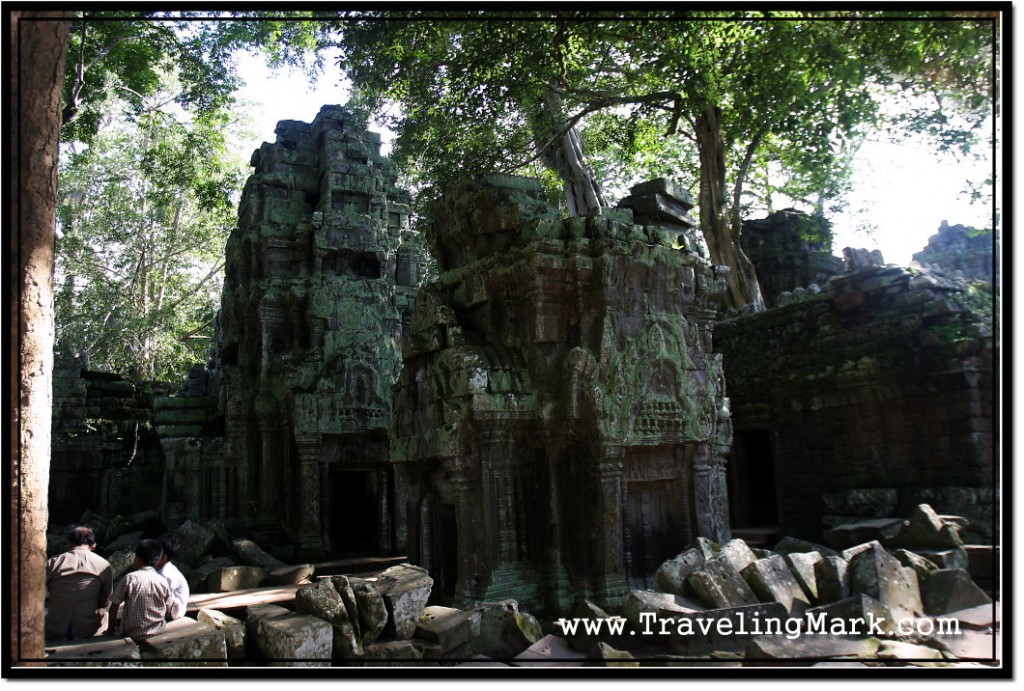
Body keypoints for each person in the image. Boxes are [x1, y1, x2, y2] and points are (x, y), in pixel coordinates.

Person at [45, 526, 113, 640]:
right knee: (105, 614)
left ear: (70, 544)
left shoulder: (54, 562)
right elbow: (106, 602)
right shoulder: (104, 565)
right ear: (93, 546)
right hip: (87, 629)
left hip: (56, 628)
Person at [106, 539, 173, 642]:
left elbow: (114, 607)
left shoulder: (129, 578)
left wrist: (110, 630)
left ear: (138, 559)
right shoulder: (163, 581)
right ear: (158, 560)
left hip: (132, 634)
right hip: (157, 631)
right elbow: (168, 607)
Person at [157, 537, 189, 620]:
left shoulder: (165, 573)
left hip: (176, 610)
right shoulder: (168, 567)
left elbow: (165, 596)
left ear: (164, 557)